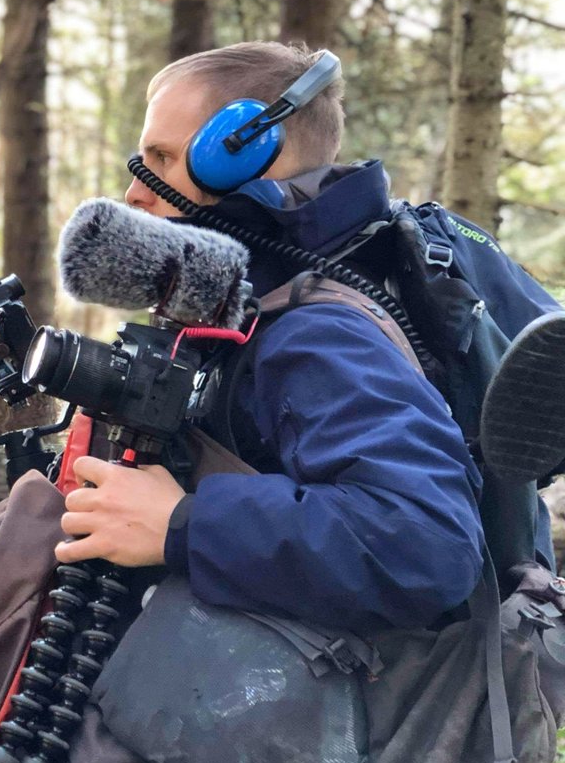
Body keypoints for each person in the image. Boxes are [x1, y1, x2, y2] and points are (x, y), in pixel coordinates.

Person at [52, 40, 559, 633]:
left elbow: (427, 545)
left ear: (241, 154)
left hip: (374, 714)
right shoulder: (255, 303)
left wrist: (184, 524)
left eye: (161, 160)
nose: (136, 192)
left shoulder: (315, 330)